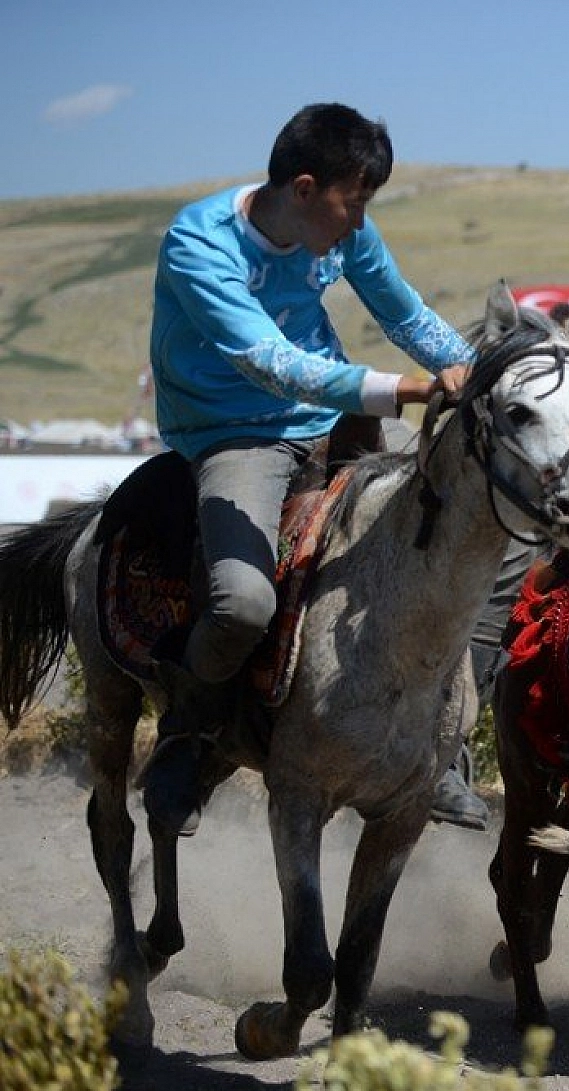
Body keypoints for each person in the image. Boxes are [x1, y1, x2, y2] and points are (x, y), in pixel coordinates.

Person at [143, 103, 487, 835]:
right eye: (352, 202)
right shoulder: (197, 244)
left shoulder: (343, 227)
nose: (359, 222)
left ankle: (437, 756)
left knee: (436, 546)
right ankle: (188, 732)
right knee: (242, 604)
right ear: (304, 189)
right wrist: (407, 390)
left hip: (337, 415)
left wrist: (483, 373)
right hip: (237, 431)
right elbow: (271, 364)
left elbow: (406, 316)